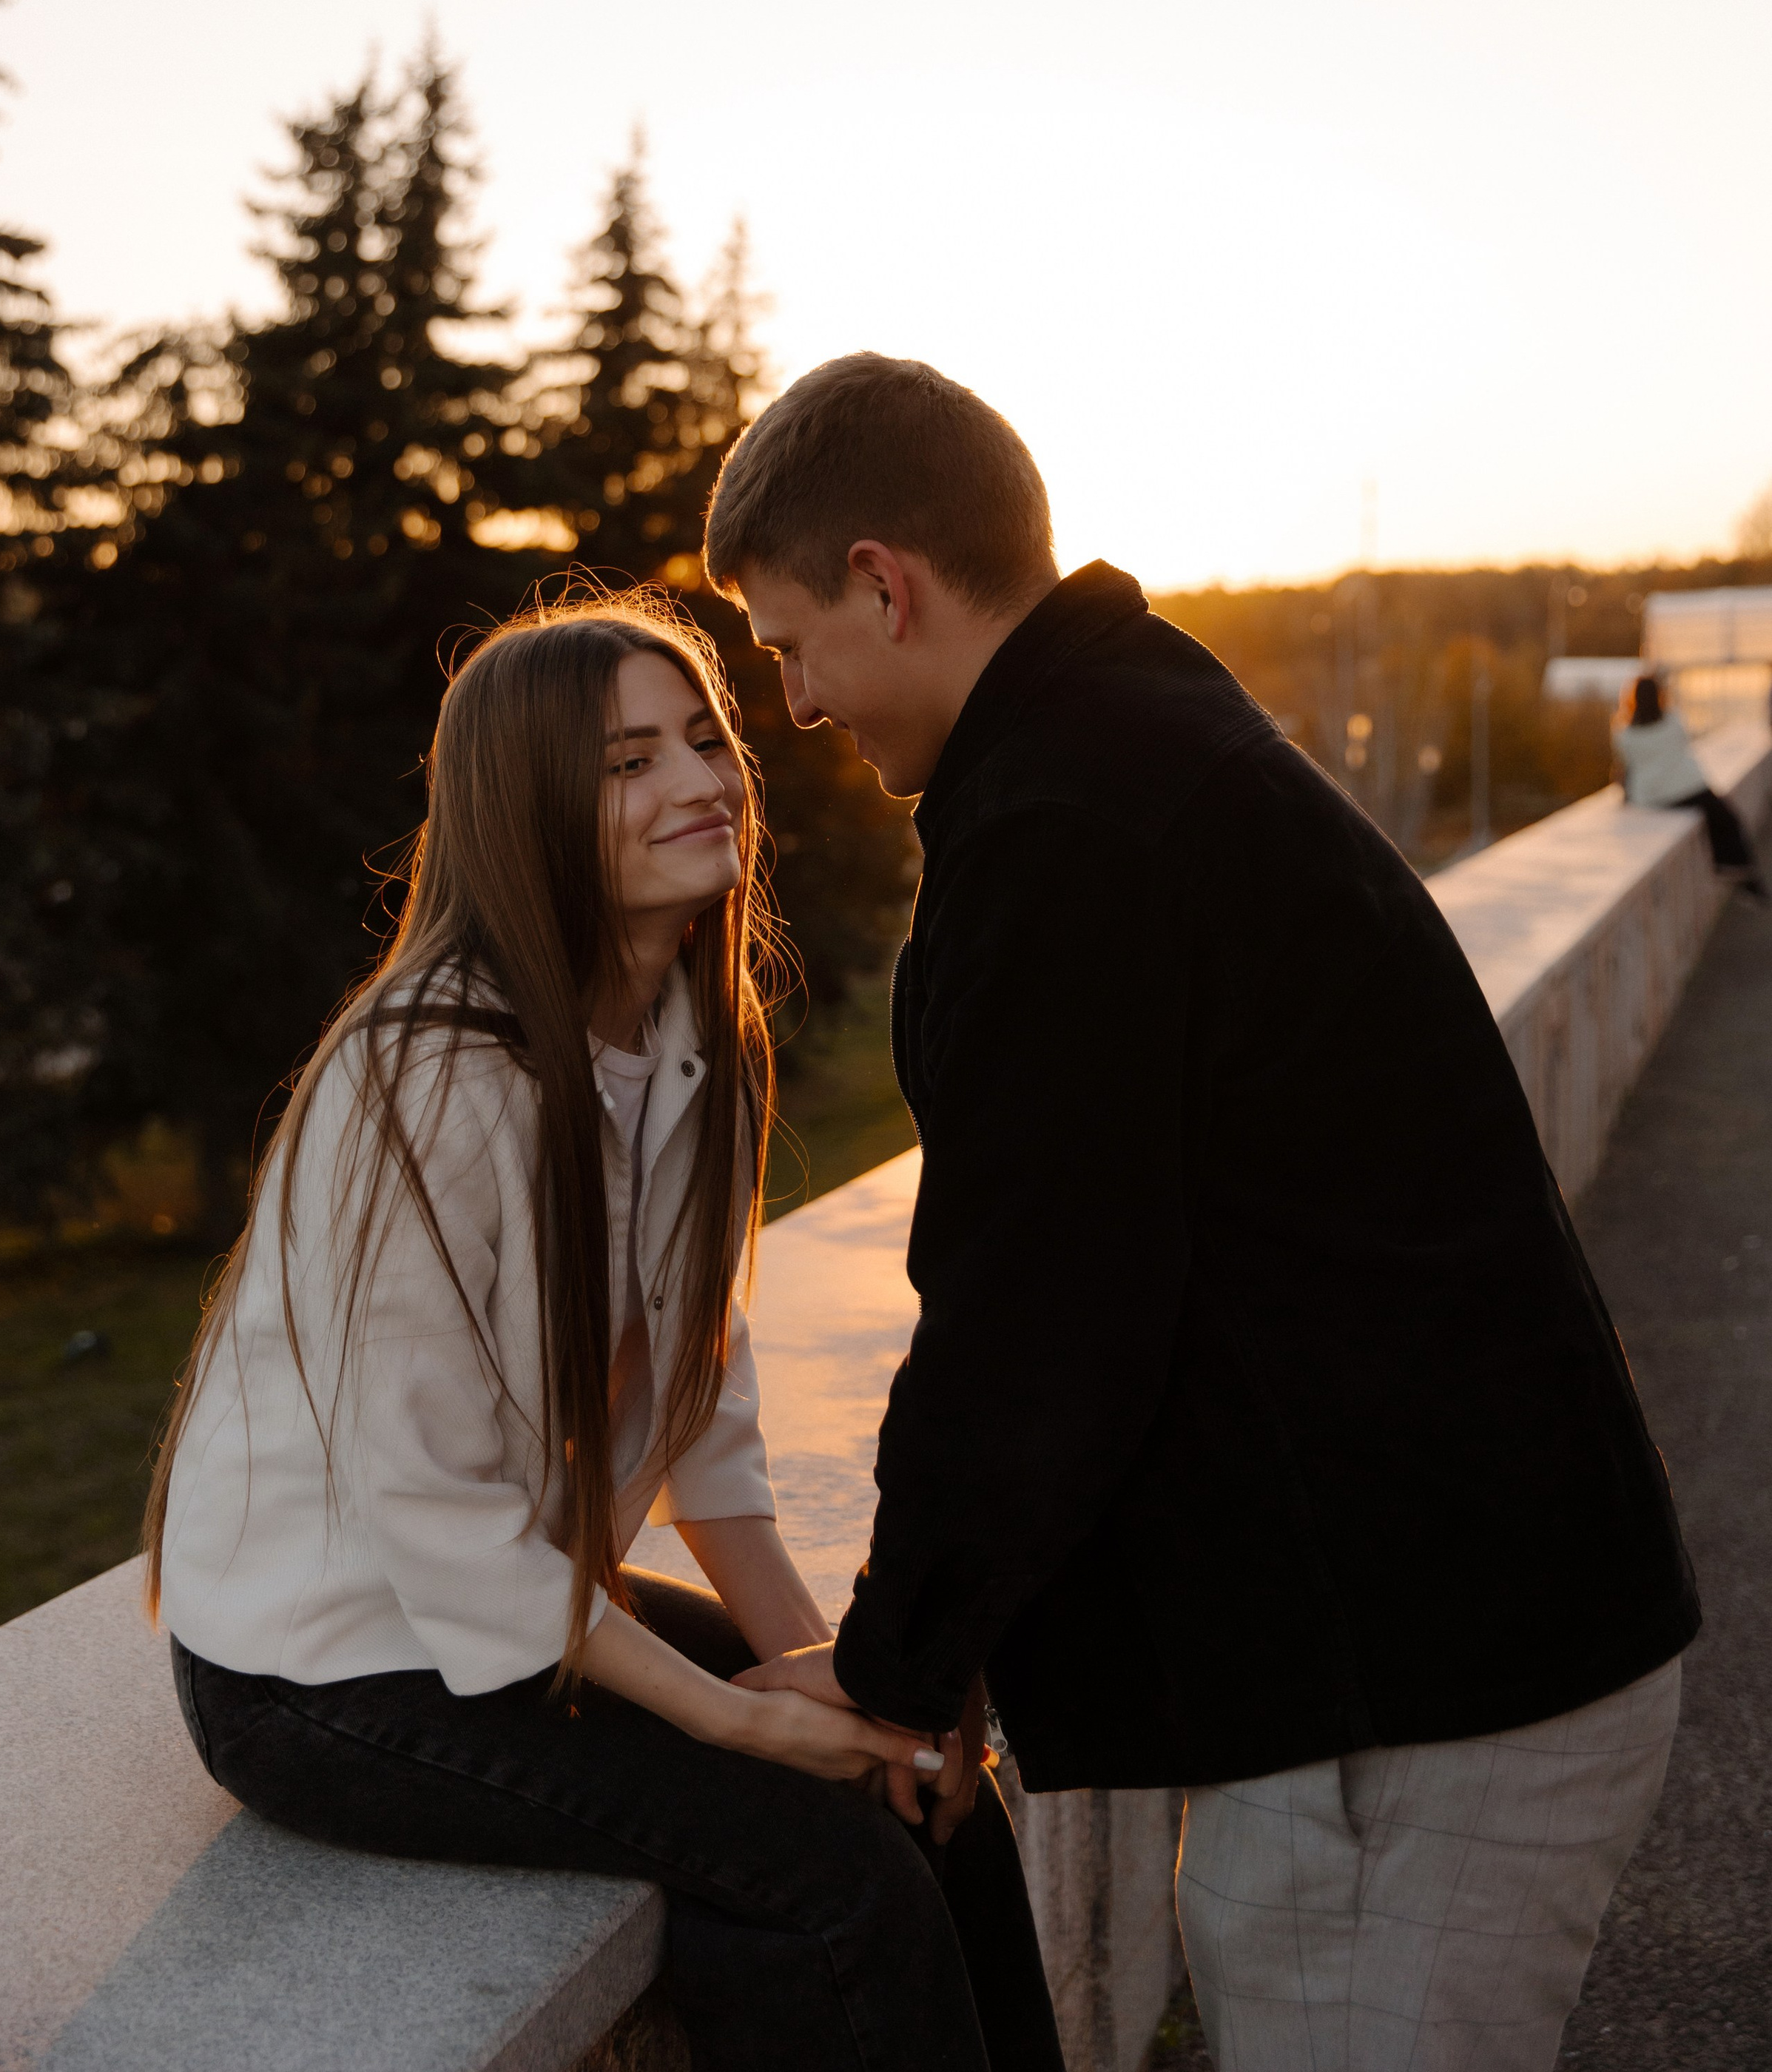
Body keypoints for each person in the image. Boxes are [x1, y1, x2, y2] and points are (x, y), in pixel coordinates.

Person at [704, 355, 1699, 2072]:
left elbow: (1032, 1310)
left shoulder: (1065, 826)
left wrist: (891, 1660)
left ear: (887, 579)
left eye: (792, 644)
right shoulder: (1130, 731)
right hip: (1445, 1637)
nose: (794, 703)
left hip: (1417, 1695)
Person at [147, 597, 1063, 2072]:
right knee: (825, 1886)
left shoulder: (690, 1045)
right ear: (526, 815)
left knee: (923, 1784)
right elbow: (435, 1515)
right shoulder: (430, 1083)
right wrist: (740, 1725)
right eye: (628, 761)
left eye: (706, 739)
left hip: (510, 1610)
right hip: (321, 1671)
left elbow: (703, 1409)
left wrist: (832, 1677)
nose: (702, 782)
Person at [1614, 669, 1768, 899]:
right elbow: (1683, 743)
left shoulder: (1624, 734)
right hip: (1686, 788)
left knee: (1715, 816)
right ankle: (1737, 870)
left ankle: (1735, 873)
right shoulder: (1673, 720)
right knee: (1726, 818)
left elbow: (1628, 767)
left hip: (1651, 797)